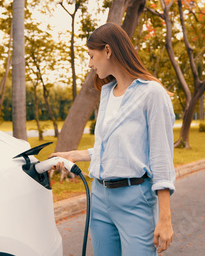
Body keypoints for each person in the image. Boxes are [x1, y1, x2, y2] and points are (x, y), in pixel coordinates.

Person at [51, 22, 175, 255]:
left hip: (134, 198)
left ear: (108, 51)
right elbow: (112, 148)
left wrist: (165, 218)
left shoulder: (152, 93)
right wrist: (74, 155)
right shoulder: (107, 93)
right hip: (99, 197)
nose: (89, 64)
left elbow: (161, 157)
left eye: (91, 56)